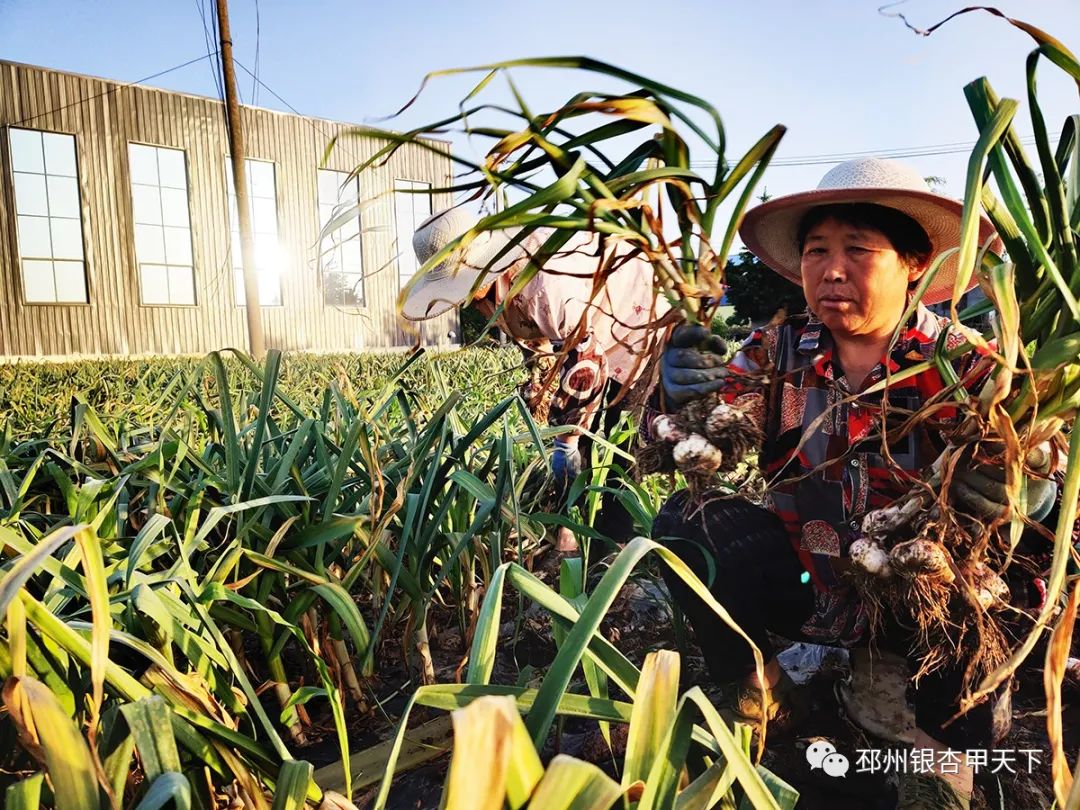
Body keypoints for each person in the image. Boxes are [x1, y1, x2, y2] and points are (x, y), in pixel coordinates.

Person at [652, 157, 1057, 810]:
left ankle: (912, 698)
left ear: (915, 264)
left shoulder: (970, 369)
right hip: (818, 580)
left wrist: (1028, 493)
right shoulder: (775, 352)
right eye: (816, 251)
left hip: (932, 602)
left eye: (858, 251)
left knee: (962, 745)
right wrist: (684, 398)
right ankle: (766, 686)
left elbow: (1041, 486)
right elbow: (708, 444)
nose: (831, 270)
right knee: (682, 526)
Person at [403, 207, 669, 552]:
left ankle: (613, 539)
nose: (468, 300)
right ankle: (569, 525)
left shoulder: (547, 286)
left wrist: (567, 438)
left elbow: (584, 365)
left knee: (619, 434)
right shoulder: (500, 289)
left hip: (637, 325)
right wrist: (542, 395)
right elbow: (540, 348)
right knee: (580, 442)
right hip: (586, 335)